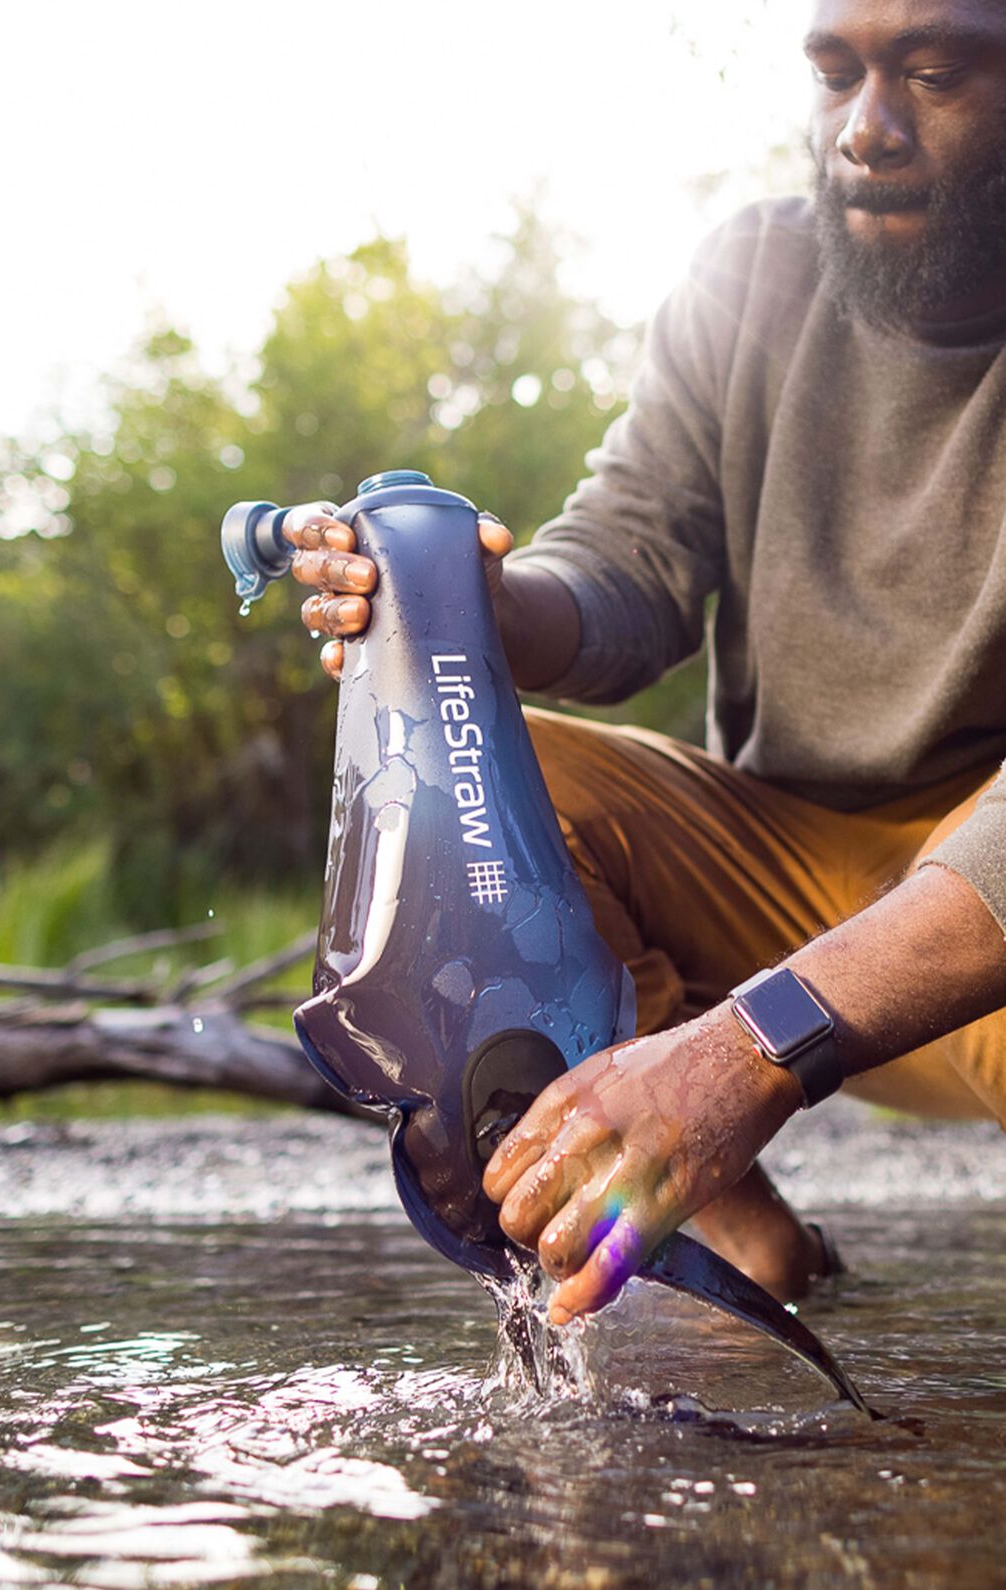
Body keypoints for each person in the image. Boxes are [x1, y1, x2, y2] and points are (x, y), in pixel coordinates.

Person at [285, 0, 1006, 1324]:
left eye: (937, 73)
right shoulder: (752, 275)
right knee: (495, 769)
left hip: (978, 935)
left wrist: (742, 1054)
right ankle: (742, 1253)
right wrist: (469, 613)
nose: (868, 130)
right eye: (836, 74)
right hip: (794, 882)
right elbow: (628, 564)